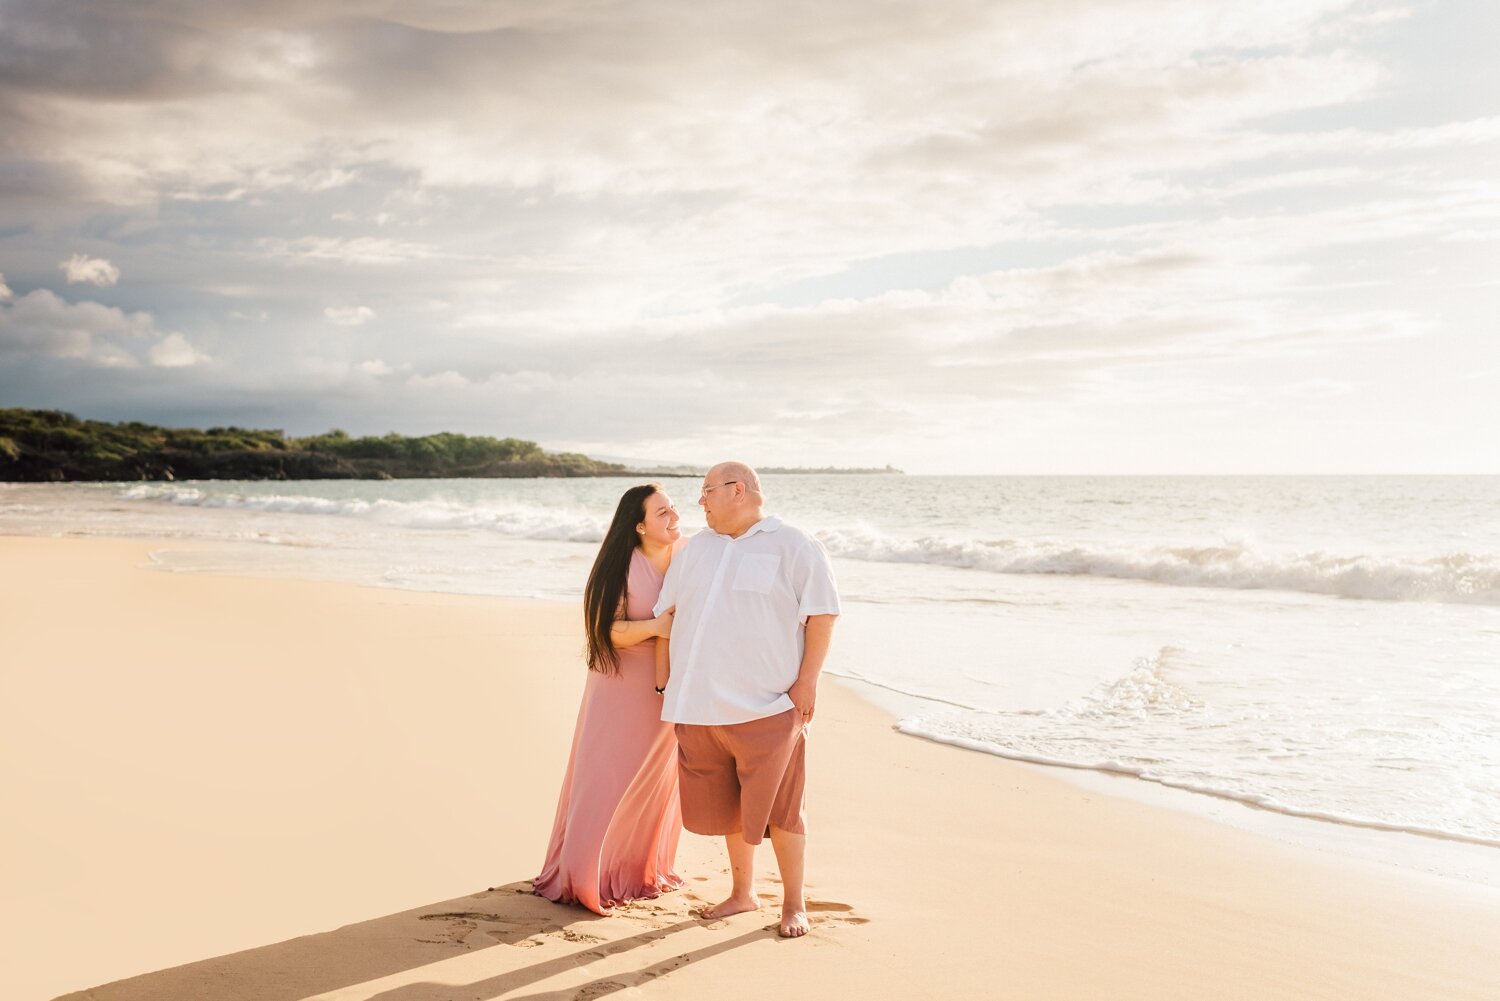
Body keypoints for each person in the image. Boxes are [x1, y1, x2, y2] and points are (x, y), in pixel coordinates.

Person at [654, 462, 839, 937]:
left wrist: (808, 683)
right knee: (730, 809)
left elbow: (821, 615)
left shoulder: (795, 543)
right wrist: (668, 684)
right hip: (698, 707)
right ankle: (743, 893)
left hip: (769, 705)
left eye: (706, 492)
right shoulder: (695, 549)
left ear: (738, 490)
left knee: (782, 809)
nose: (700, 502)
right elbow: (669, 615)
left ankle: (794, 903)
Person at [534, 484, 685, 913]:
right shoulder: (620, 567)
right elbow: (606, 631)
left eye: (673, 507)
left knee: (654, 780)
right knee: (606, 776)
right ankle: (587, 871)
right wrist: (656, 628)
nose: (673, 516)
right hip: (619, 684)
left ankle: (637, 869)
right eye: (662, 512)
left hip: (666, 686)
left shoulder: (687, 554)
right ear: (638, 527)